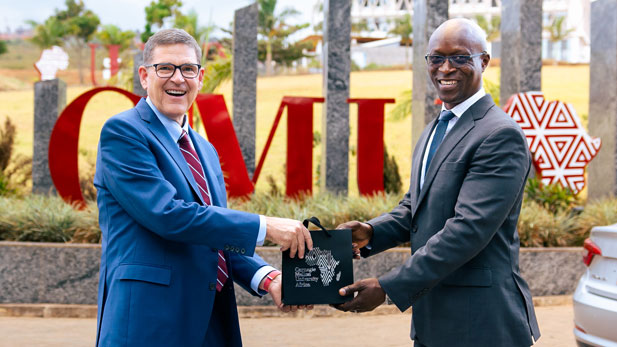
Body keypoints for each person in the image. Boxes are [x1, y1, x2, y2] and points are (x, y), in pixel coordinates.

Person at [93, 28, 312, 346]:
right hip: (147, 321)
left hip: (210, 321)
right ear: (144, 76)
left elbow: (213, 234)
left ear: (201, 76)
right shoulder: (123, 133)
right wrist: (266, 227)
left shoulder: (204, 149)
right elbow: (168, 215)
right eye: (165, 68)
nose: (177, 79)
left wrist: (269, 277)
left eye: (187, 69)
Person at [333, 18, 541, 347]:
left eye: (459, 57)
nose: (445, 68)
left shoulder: (500, 134)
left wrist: (388, 287)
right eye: (436, 58)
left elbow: (467, 230)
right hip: (433, 323)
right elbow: (417, 205)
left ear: (483, 61)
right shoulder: (435, 128)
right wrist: (371, 232)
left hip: (483, 325)